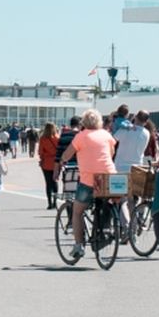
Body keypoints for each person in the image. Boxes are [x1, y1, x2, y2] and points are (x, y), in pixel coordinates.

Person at [59, 110, 117, 261]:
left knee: (77, 212)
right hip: (108, 177)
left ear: (83, 123)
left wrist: (62, 161)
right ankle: (109, 227)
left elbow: (67, 154)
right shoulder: (106, 135)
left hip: (89, 180)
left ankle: (79, 246)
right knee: (108, 201)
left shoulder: (80, 136)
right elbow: (111, 153)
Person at [37, 122, 60, 209]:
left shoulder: (43, 139)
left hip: (46, 162)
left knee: (48, 183)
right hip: (56, 163)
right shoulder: (57, 138)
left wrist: (43, 157)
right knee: (55, 182)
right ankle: (55, 202)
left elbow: (40, 152)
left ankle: (49, 202)